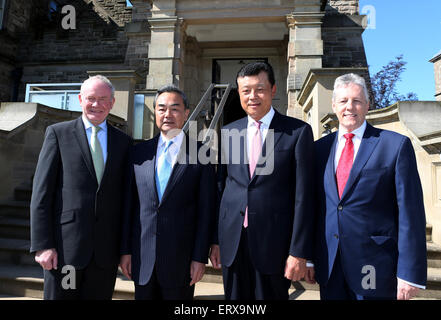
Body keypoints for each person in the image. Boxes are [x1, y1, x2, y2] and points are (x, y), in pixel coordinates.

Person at [313, 73, 427, 300]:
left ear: (367, 105)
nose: (350, 107)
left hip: (375, 264)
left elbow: (410, 214)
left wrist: (410, 273)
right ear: (334, 105)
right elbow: (313, 206)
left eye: (356, 101)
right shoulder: (319, 149)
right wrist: (307, 257)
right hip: (330, 265)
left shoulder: (394, 146)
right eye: (343, 101)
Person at [210, 62, 315, 300]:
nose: (252, 96)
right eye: (245, 91)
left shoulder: (297, 132)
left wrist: (299, 252)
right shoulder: (229, 132)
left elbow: (304, 197)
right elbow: (222, 186)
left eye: (259, 89)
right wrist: (215, 240)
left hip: (275, 246)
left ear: (273, 90)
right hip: (233, 244)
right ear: (238, 94)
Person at [30, 75, 132, 299]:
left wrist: (125, 250)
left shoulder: (123, 142)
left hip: (105, 255)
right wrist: (42, 245)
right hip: (65, 252)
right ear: (80, 99)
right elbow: (41, 194)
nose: (97, 105)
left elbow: (126, 201)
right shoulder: (58, 133)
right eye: (91, 98)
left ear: (112, 103)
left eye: (104, 99)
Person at [119, 85, 216, 300]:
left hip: (181, 262)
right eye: (161, 109)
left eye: (174, 109)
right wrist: (125, 251)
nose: (167, 115)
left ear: (186, 113)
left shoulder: (202, 154)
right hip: (142, 260)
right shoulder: (137, 153)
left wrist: (200, 257)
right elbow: (129, 206)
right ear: (155, 112)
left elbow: (206, 211)